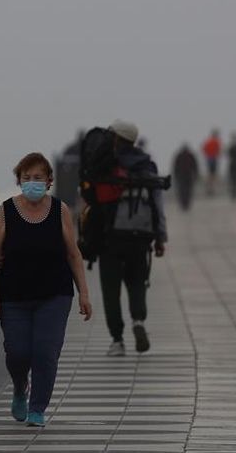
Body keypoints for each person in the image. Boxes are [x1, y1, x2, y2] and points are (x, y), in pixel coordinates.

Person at [0, 153, 92, 427]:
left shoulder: (60, 210)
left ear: (49, 181)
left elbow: (73, 255)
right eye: (27, 178)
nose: (32, 183)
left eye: (38, 178)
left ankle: (37, 408)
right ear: (19, 181)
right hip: (14, 297)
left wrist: (84, 293)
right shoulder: (6, 211)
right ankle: (21, 387)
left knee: (46, 352)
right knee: (17, 352)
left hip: (54, 294)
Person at [99, 120, 167, 357]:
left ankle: (117, 340)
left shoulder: (106, 163)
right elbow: (157, 203)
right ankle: (138, 320)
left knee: (111, 289)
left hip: (110, 237)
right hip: (140, 236)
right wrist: (160, 238)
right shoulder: (146, 165)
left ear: (116, 139)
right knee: (137, 281)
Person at [172, 142, 199, 211]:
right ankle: (186, 204)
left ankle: (184, 204)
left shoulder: (179, 155)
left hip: (182, 176)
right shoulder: (190, 155)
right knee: (187, 191)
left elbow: (175, 167)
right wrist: (196, 175)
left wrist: (175, 176)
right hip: (188, 176)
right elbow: (195, 166)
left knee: (182, 191)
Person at [201, 129, 222, 196]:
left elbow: (203, 149)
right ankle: (211, 189)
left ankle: (208, 188)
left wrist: (207, 154)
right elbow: (219, 150)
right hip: (213, 159)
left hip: (209, 158)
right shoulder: (216, 141)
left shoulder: (208, 141)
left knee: (210, 174)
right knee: (213, 175)